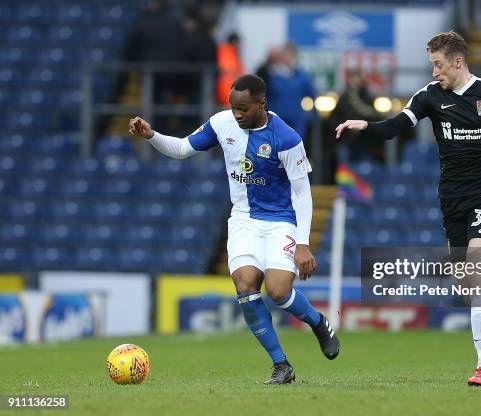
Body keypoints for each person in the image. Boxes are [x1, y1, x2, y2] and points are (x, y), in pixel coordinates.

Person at [335, 31, 481, 387]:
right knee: (467, 284)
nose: (434, 72)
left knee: (475, 274)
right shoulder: (430, 96)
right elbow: (396, 127)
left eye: (438, 64)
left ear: (457, 61)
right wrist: (364, 125)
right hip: (451, 197)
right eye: (433, 64)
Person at [128, 74, 340, 384]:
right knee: (245, 285)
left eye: (243, 108)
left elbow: (302, 191)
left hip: (281, 221)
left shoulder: (287, 138)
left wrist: (304, 242)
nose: (237, 114)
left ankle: (319, 324)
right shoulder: (222, 123)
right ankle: (281, 364)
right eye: (233, 107)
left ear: (261, 103)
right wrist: (151, 135)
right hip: (243, 219)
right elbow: (183, 148)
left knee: (279, 291)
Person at [266, 43, 316, 138]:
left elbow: (312, 94)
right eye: (285, 55)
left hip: (296, 122)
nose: (287, 59)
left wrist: (310, 114)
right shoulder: (273, 76)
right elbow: (266, 96)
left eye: (291, 55)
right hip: (277, 122)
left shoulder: (302, 76)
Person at [216, 33, 245, 108]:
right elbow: (227, 79)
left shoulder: (229, 54)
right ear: (235, 42)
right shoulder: (227, 55)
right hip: (226, 98)